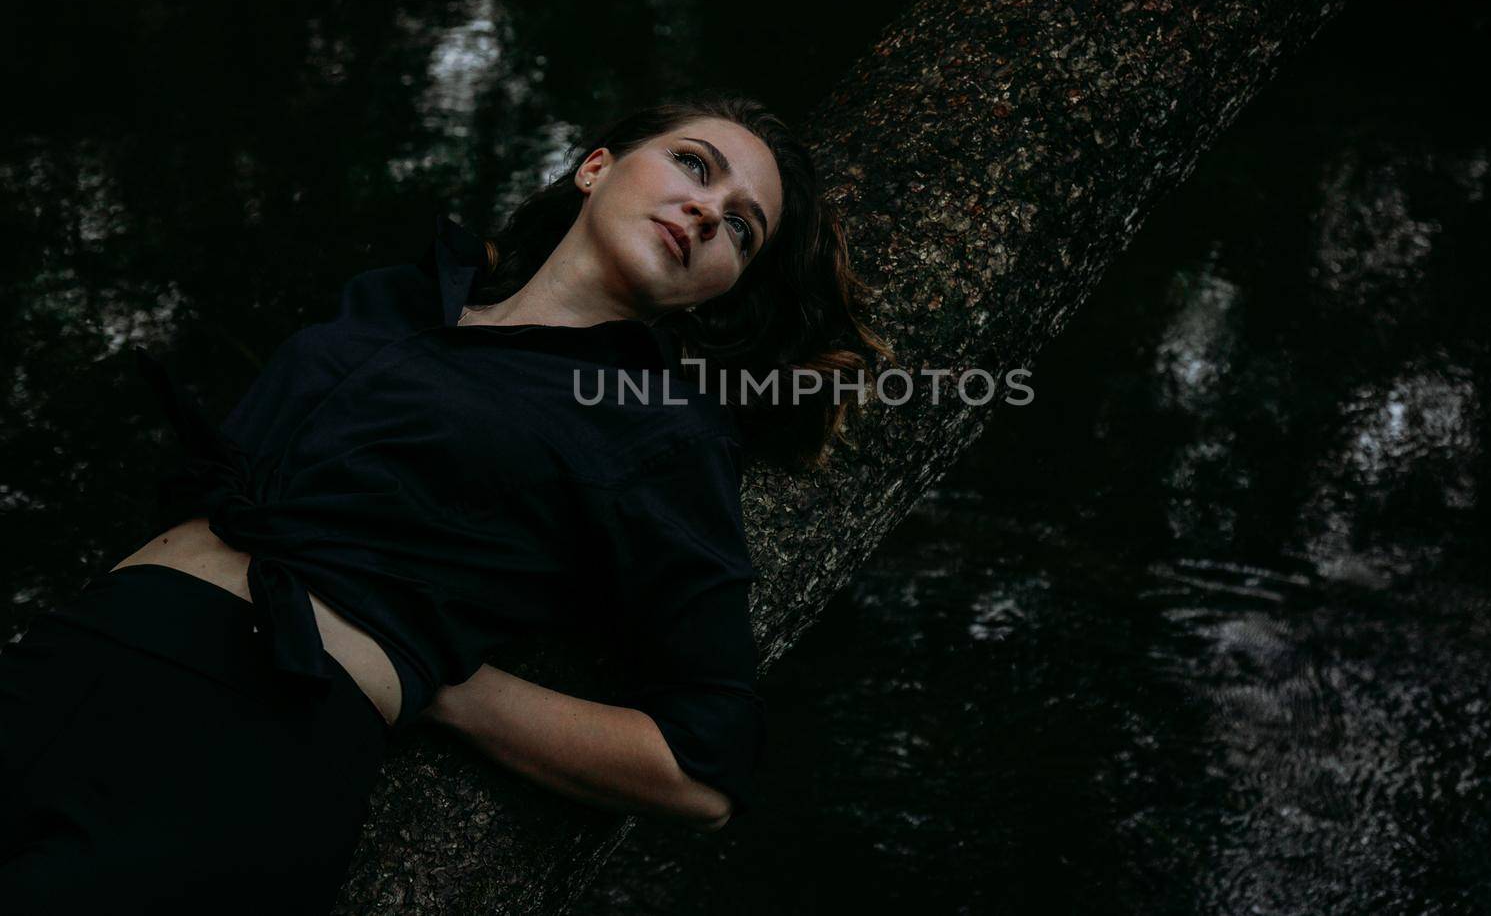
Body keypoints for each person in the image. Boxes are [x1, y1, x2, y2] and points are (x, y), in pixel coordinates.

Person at [0, 93, 890, 914]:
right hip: (70, 653)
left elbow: (702, 765)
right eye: (695, 166)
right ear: (596, 166)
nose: (707, 209)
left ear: (722, 282)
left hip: (252, 734)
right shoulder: (397, 300)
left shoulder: (661, 430)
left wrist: (446, 689)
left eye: (740, 226)